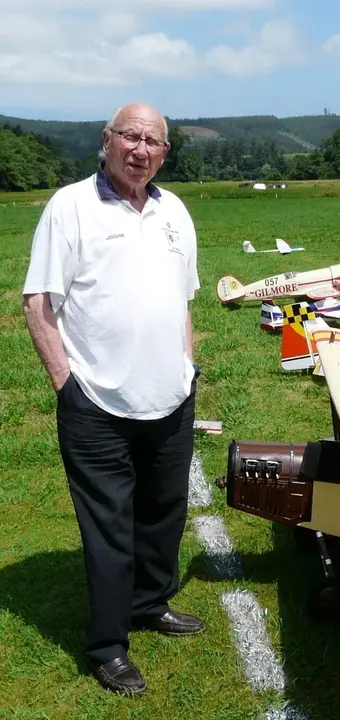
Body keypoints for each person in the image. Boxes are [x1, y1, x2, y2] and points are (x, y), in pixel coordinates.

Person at [22, 102, 203, 696]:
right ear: (107, 140)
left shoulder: (174, 211)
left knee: (163, 514)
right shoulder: (70, 206)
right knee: (109, 531)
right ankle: (106, 645)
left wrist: (186, 368)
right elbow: (38, 304)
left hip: (170, 400)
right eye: (130, 136)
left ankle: (151, 603)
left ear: (164, 153)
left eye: (152, 141)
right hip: (96, 402)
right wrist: (65, 386)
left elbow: (183, 301)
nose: (140, 150)